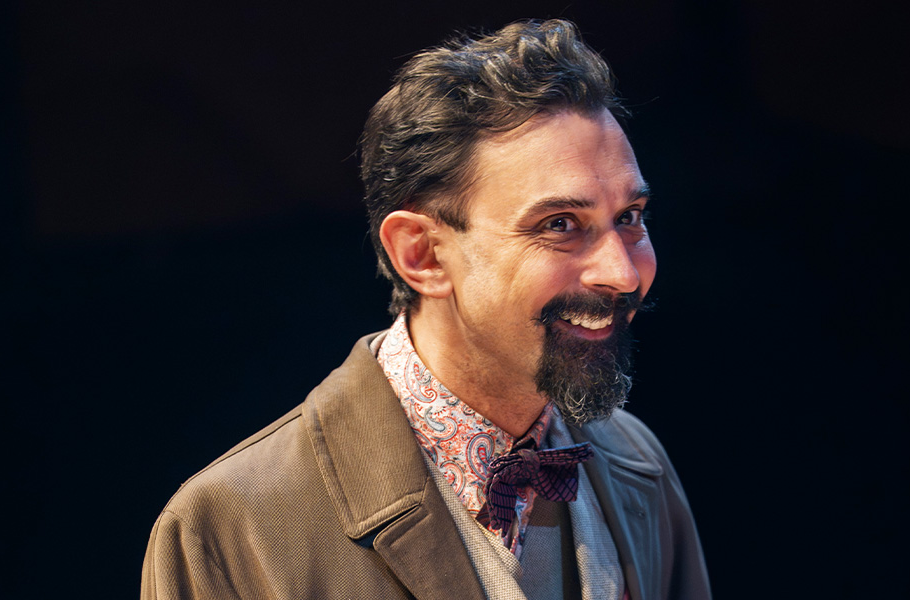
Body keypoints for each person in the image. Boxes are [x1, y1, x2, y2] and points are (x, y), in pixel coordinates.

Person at [142, 19, 711, 600]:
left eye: (630, 217)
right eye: (559, 225)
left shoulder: (637, 463)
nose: (620, 273)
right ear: (422, 255)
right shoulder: (235, 526)